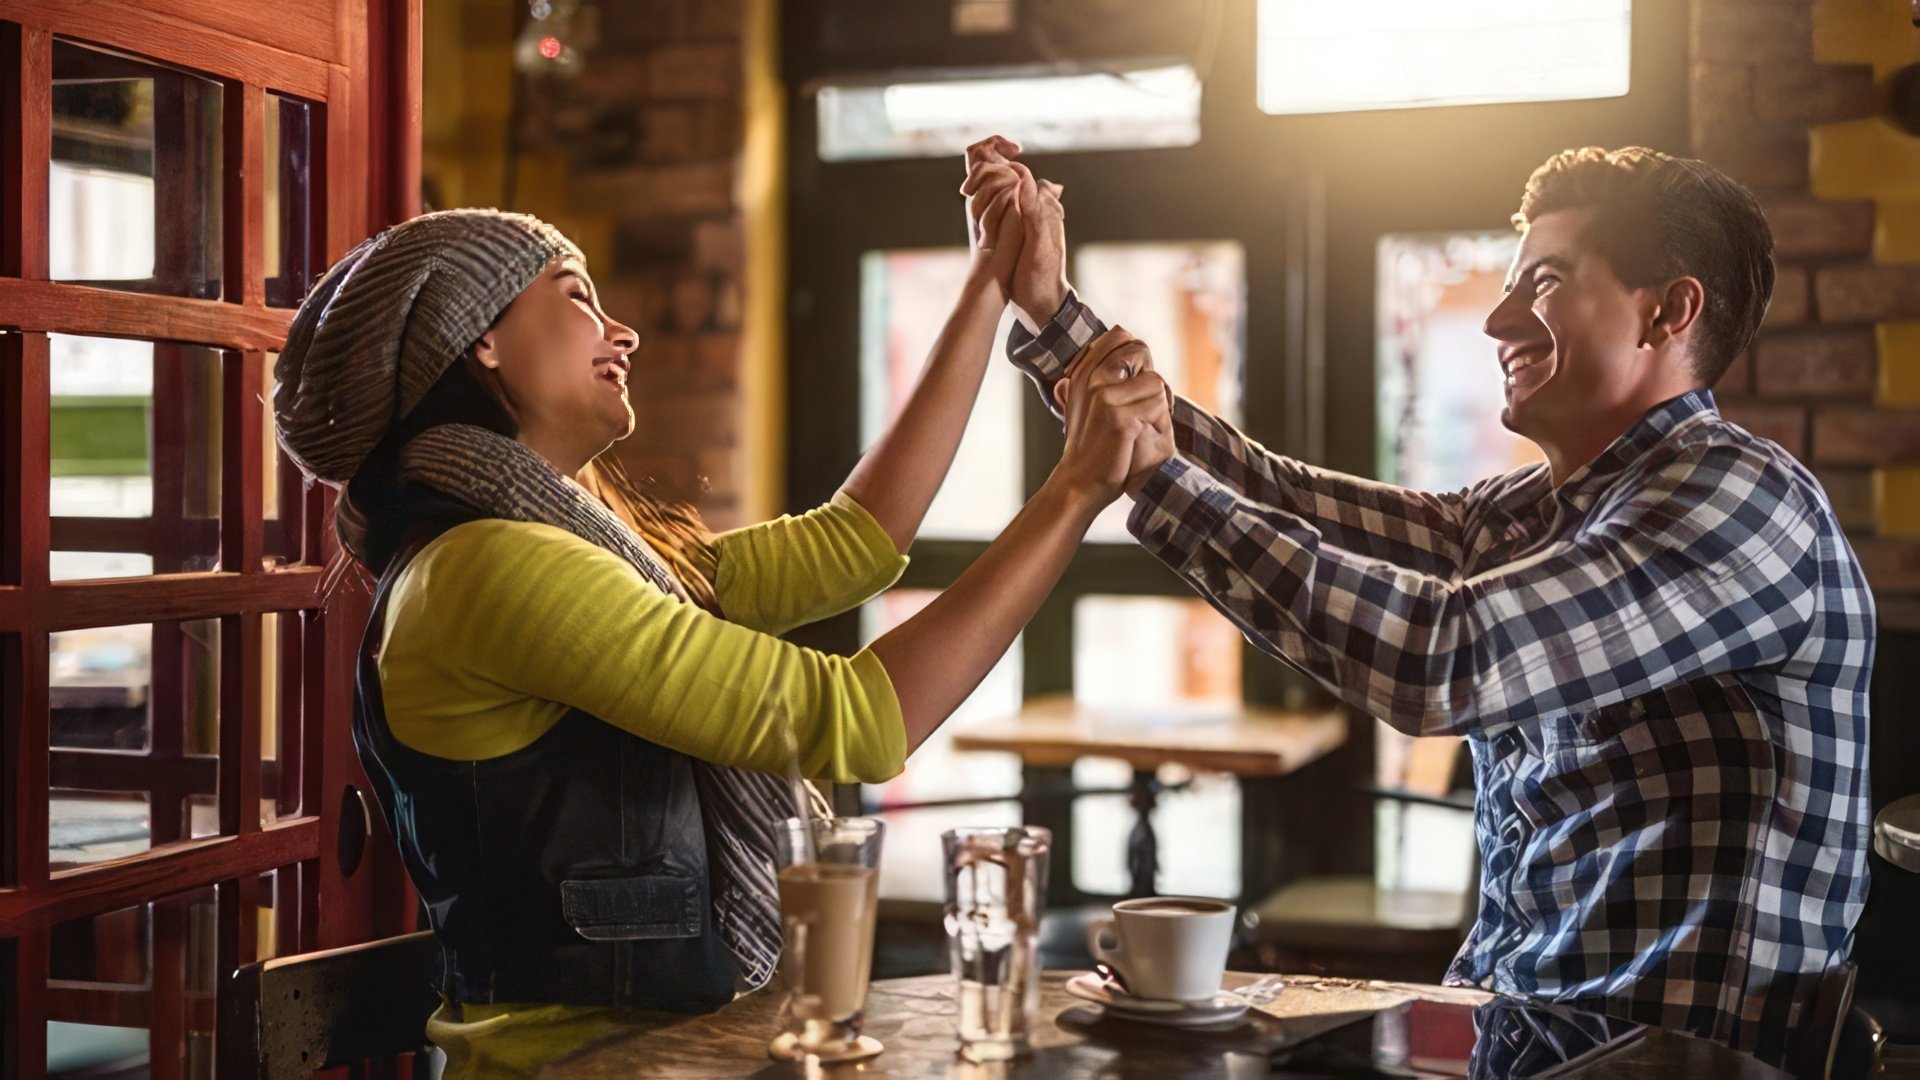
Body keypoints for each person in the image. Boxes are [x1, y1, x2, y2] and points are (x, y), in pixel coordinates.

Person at [968, 138, 1874, 1065]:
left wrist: (1148, 476)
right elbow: (1277, 495)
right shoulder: (1533, 511)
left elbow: (1441, 661)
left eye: (1547, 284)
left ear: (1668, 310)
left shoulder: (1741, 499)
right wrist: (1053, 315)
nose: (1497, 319)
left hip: (1672, 1064)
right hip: (1526, 1042)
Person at [269, 147, 1169, 1076]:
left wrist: (986, 281)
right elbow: (855, 719)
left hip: (681, 1055)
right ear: (479, 341)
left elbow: (853, 542)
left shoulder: (560, 552)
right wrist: (1072, 491)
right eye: (574, 294)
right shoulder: (488, 570)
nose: (622, 332)